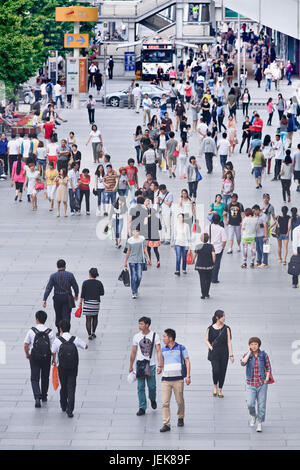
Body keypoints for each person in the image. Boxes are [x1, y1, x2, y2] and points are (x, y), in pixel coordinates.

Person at [51, 320, 88, 418]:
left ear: (60, 329)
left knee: (63, 386)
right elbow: (86, 346)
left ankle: (63, 405)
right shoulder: (75, 339)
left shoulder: (58, 340)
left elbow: (53, 351)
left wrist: (54, 360)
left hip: (62, 367)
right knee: (71, 387)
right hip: (73, 367)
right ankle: (70, 409)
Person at [160, 328, 191, 432]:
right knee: (165, 402)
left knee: (179, 401)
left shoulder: (181, 348)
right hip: (166, 380)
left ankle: (180, 417)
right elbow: (162, 363)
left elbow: (187, 361)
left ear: (170, 338)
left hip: (178, 380)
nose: (163, 338)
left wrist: (188, 376)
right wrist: (160, 368)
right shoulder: (163, 350)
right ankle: (166, 424)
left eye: (164, 336)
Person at [129, 317, 162, 416]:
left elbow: (158, 351)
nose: (140, 326)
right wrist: (131, 365)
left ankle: (152, 399)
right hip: (140, 365)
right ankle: (142, 407)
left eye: (142, 324)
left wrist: (160, 364)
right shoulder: (136, 336)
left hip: (151, 365)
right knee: (140, 387)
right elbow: (133, 351)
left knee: (152, 387)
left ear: (147, 325)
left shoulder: (155, 336)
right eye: (139, 324)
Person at [24, 310, 55, 408]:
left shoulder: (32, 330)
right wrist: (54, 359)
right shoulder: (50, 332)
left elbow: (26, 344)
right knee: (45, 377)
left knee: (34, 377)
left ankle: (37, 397)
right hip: (46, 356)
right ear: (45, 320)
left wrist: (27, 354)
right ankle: (44, 395)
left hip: (35, 356)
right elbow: (53, 348)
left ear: (36, 319)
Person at [241, 337, 272, 433]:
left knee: (261, 405)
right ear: (249, 345)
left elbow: (268, 367)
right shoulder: (247, 355)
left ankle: (259, 423)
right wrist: (249, 353)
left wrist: (267, 378)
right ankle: (253, 415)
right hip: (251, 383)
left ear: (259, 345)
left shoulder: (263, 355)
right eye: (252, 344)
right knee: (250, 403)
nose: (253, 346)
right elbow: (242, 363)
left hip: (262, 383)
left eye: (255, 344)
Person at [43, 259, 79, 336]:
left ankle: (60, 330)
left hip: (57, 298)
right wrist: (76, 295)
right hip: (67, 298)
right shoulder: (70, 275)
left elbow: (48, 288)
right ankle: (66, 331)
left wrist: (44, 299)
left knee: (58, 314)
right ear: (65, 266)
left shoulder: (53, 276)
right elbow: (75, 286)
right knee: (66, 315)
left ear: (57, 266)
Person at [205, 310, 233, 397]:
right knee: (216, 370)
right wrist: (211, 347)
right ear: (217, 317)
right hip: (214, 353)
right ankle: (215, 386)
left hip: (224, 352)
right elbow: (206, 340)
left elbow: (229, 342)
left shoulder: (227, 328)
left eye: (224, 316)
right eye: (223, 316)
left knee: (223, 371)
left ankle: (220, 390)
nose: (224, 318)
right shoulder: (210, 328)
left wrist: (231, 355)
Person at [124, 227, 151, 299]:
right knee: (133, 276)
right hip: (132, 260)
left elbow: (145, 248)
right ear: (132, 232)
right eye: (135, 231)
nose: (136, 233)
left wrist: (148, 258)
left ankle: (135, 288)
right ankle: (134, 292)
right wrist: (125, 262)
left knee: (139, 276)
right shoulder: (130, 240)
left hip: (140, 260)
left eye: (137, 231)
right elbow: (128, 251)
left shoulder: (142, 239)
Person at [79, 268, 104, 340]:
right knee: (95, 318)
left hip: (87, 303)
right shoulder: (99, 283)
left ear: (89, 274)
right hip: (95, 303)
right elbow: (102, 293)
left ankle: (89, 335)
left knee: (88, 319)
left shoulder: (85, 282)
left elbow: (82, 294)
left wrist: (80, 303)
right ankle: (93, 332)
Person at [193, 232, 216, 299]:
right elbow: (213, 255)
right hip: (209, 265)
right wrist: (213, 262)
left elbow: (194, 255)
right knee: (208, 280)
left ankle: (203, 294)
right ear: (208, 239)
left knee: (202, 279)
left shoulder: (198, 246)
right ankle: (207, 293)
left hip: (200, 265)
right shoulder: (211, 246)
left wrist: (193, 260)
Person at [206, 214, 227, 283]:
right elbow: (224, 240)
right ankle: (214, 279)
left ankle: (208, 277)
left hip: (209, 247)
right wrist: (222, 248)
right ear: (219, 221)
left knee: (209, 263)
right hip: (218, 248)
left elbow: (204, 236)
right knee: (216, 264)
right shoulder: (221, 229)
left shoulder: (207, 227)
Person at [143, 198, 161, 268]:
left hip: (148, 236)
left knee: (148, 249)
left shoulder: (147, 219)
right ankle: (158, 260)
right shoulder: (157, 219)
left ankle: (149, 261)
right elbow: (160, 228)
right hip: (155, 236)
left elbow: (144, 226)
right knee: (156, 250)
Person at [291, 221, 300, 287]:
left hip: (297, 249)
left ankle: (295, 283)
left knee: (296, 266)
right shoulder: (296, 230)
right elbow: (294, 241)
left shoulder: (295, 229)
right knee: (296, 266)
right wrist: (295, 251)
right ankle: (295, 283)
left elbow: (294, 241)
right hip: (298, 249)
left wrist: (294, 251)